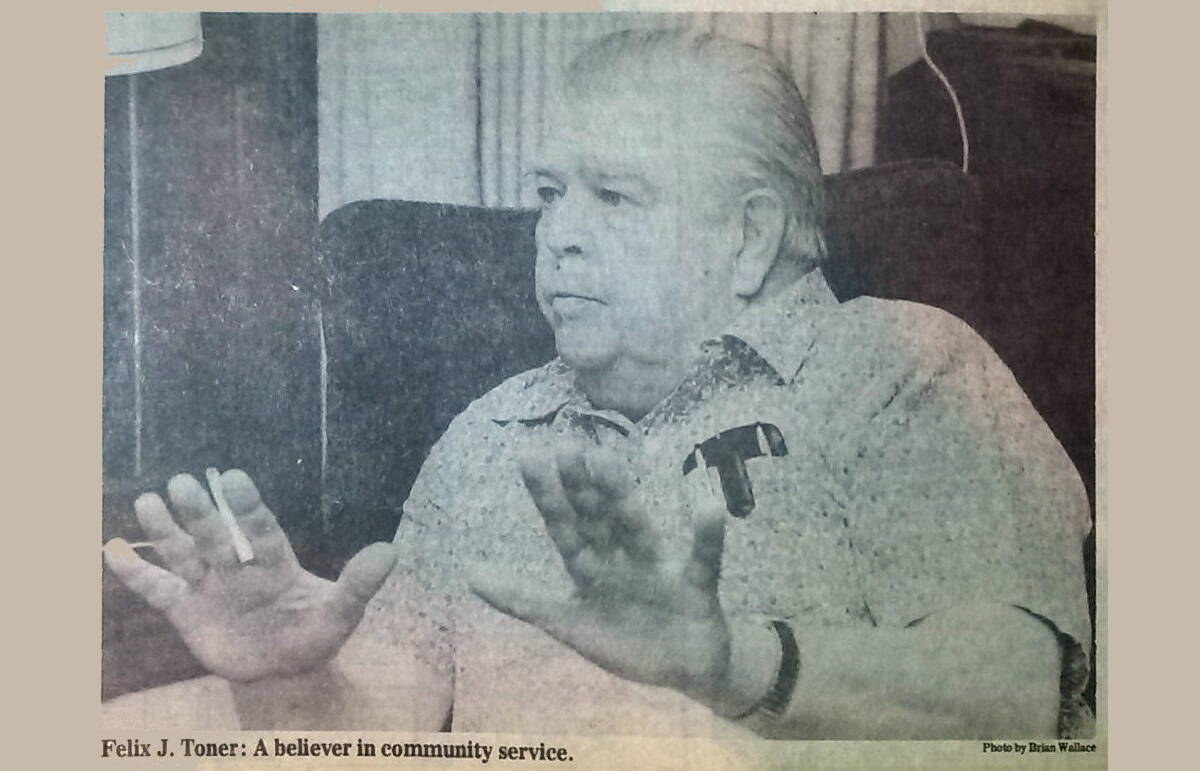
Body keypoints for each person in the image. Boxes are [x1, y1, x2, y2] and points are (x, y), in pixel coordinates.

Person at [103, 28, 1093, 739]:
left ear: (747, 236)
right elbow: (392, 714)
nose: (558, 232)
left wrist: (730, 664)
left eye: (613, 195)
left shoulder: (899, 367)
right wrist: (288, 669)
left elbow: (1021, 689)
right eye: (550, 193)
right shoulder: (491, 431)